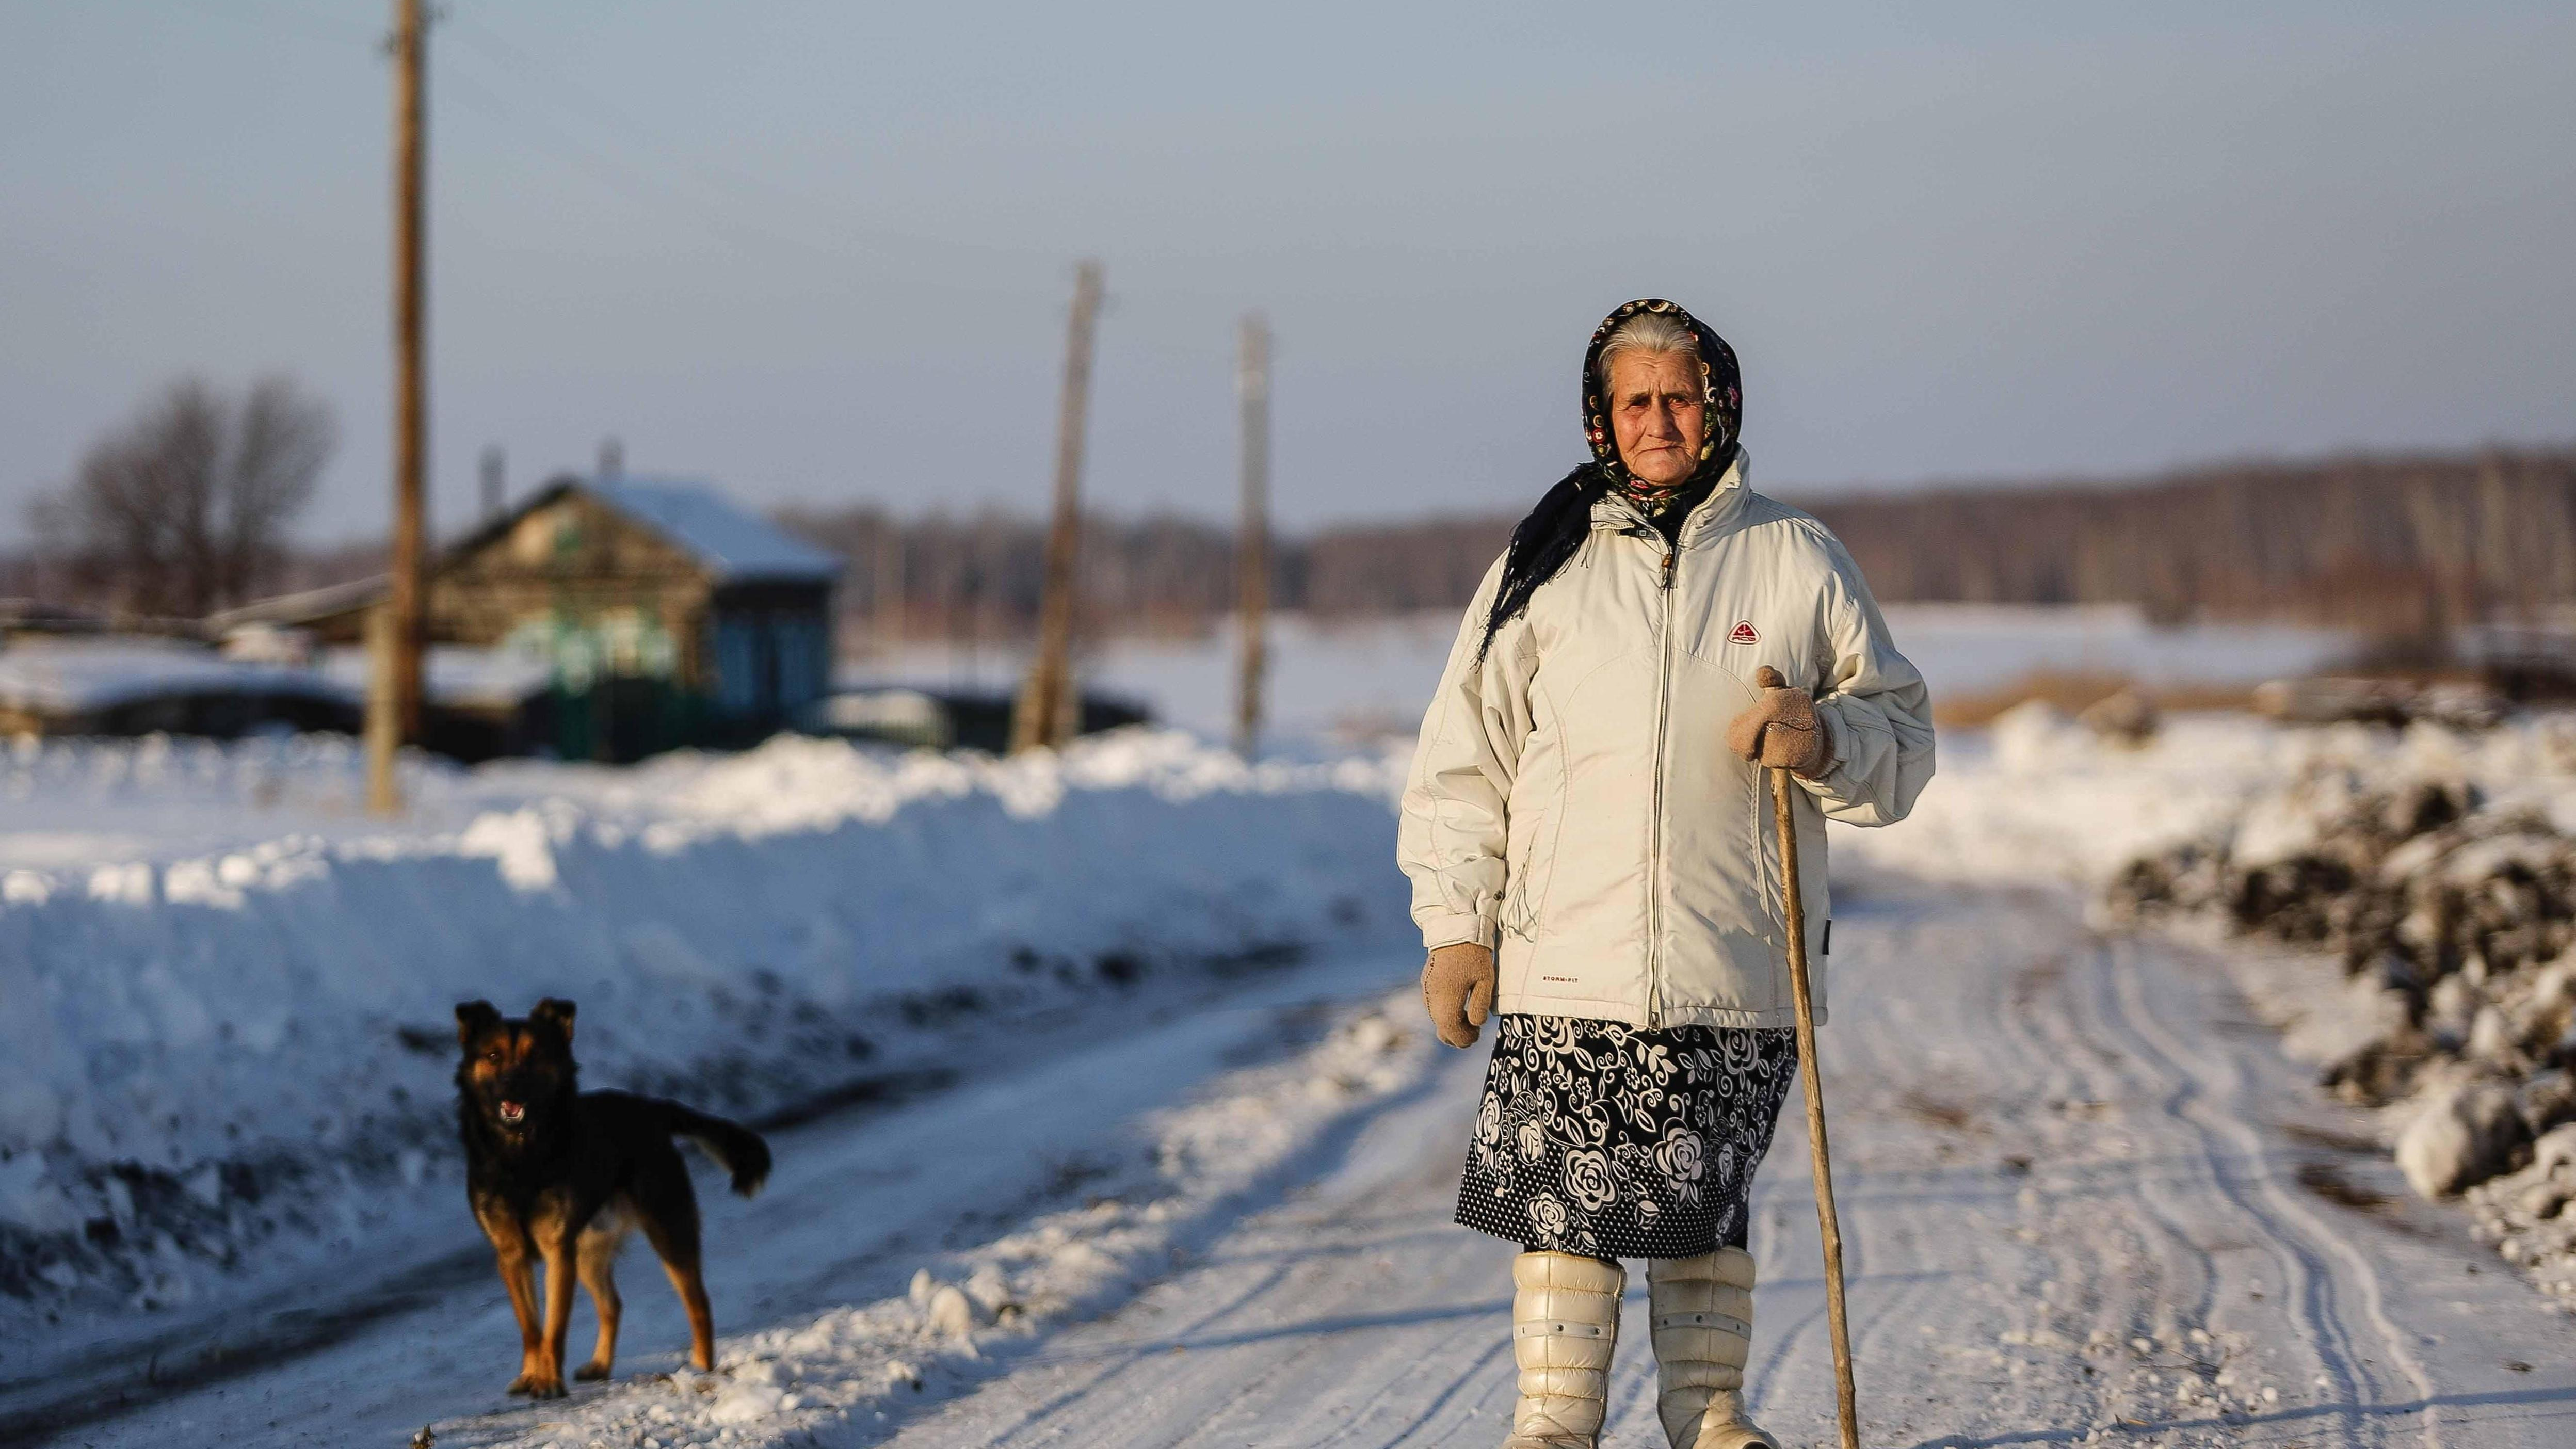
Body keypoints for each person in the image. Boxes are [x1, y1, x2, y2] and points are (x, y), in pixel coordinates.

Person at [1397, 298, 1934, 1449]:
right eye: (1634, 401)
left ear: (1720, 405)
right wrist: (1458, 929)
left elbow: (1905, 745)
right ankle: (1552, 1425)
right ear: (1602, 416)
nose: (1658, 420)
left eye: (1679, 398)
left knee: (1702, 1207)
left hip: (1733, 956)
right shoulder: (1540, 566)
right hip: (1566, 956)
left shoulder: (1795, 557)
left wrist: (1826, 736)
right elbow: (1462, 759)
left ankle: (1711, 1421)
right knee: (1569, 1210)